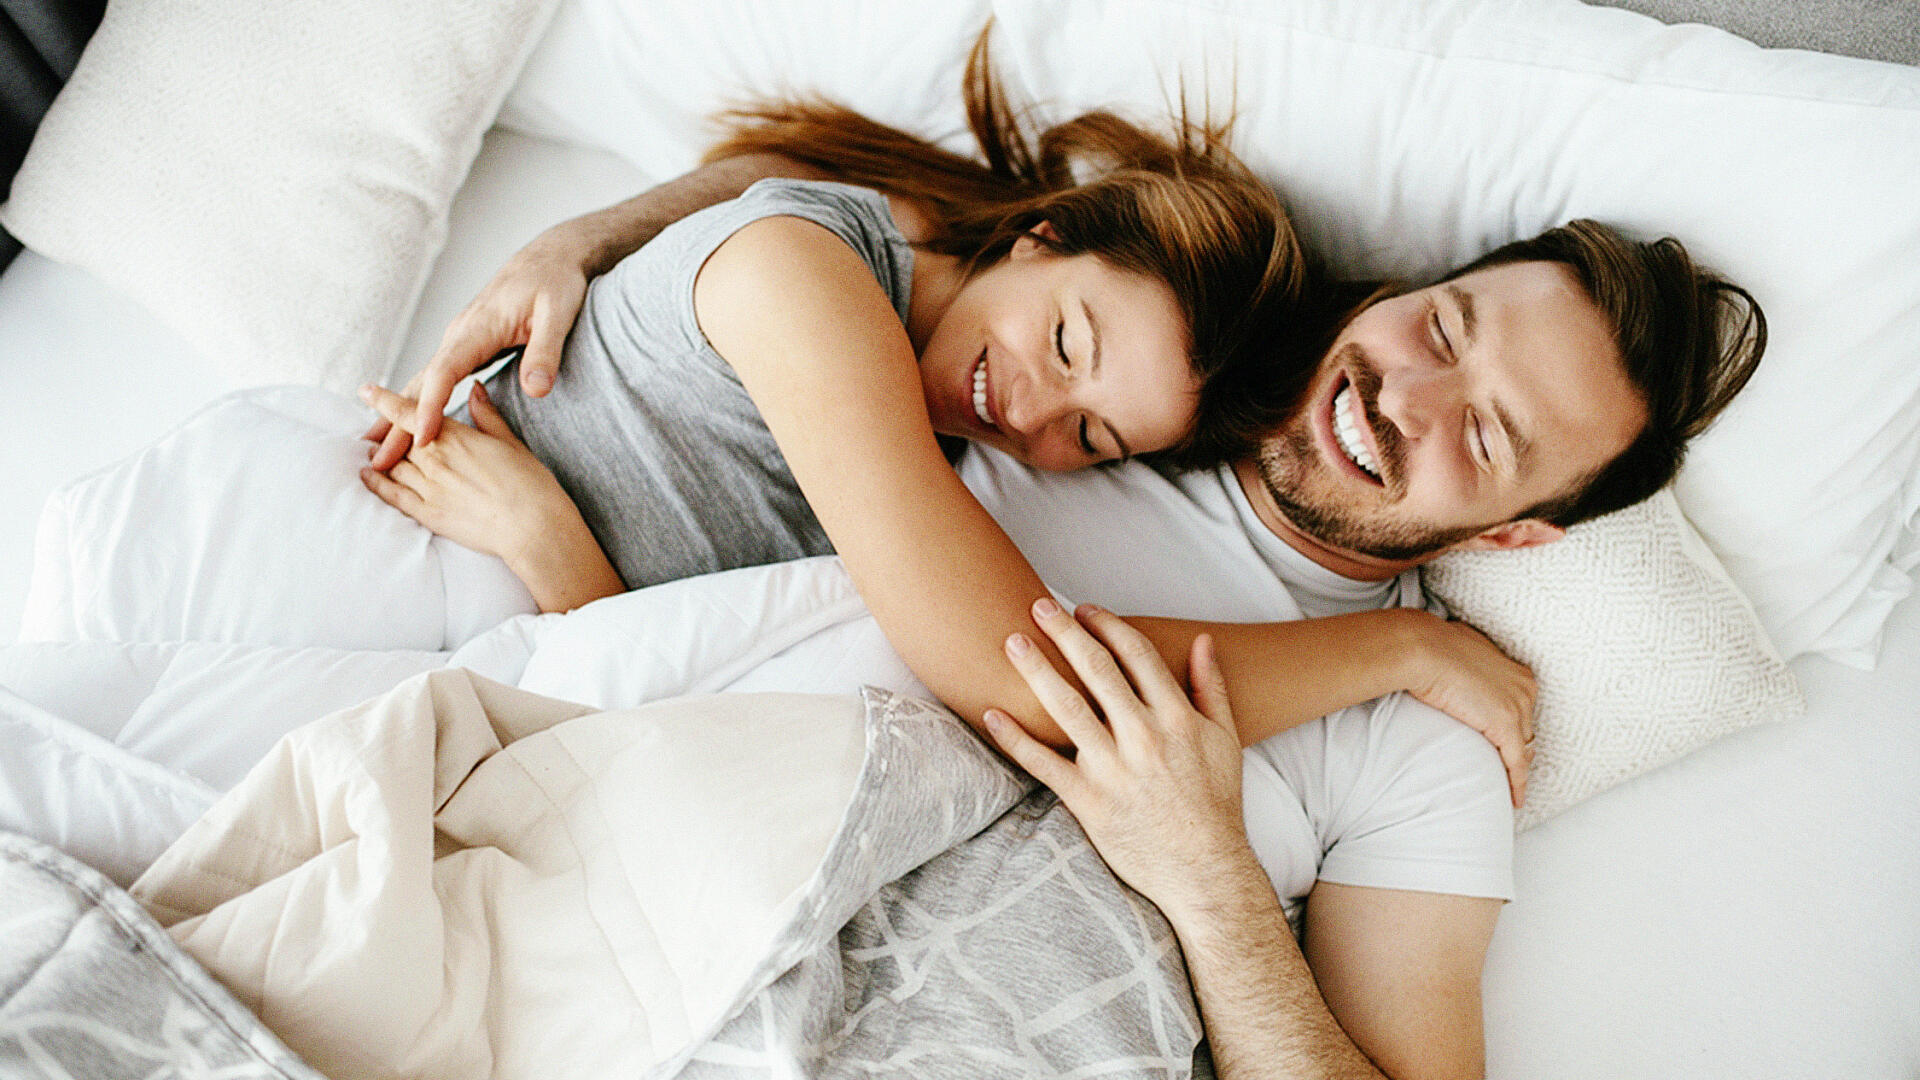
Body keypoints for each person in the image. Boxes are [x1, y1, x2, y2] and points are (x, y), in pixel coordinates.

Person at [380, 102, 1765, 1075]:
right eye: (1444, 331)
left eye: (1487, 439)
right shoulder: (1108, 374)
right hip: (640, 888)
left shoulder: (1426, 752)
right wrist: (580, 244)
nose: (1404, 398)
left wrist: (1215, 886)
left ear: (1515, 538)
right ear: (1408, 288)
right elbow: (851, 196)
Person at [360, 35, 1546, 794]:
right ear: (1042, 234)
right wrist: (1401, 647)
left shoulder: (884, 299)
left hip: (478, 626)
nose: (1028, 414)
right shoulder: (817, 284)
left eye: (1092, 439)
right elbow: (1029, 683)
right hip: (389, 536)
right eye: (1069, 341)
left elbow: (767, 179)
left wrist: (583, 240)